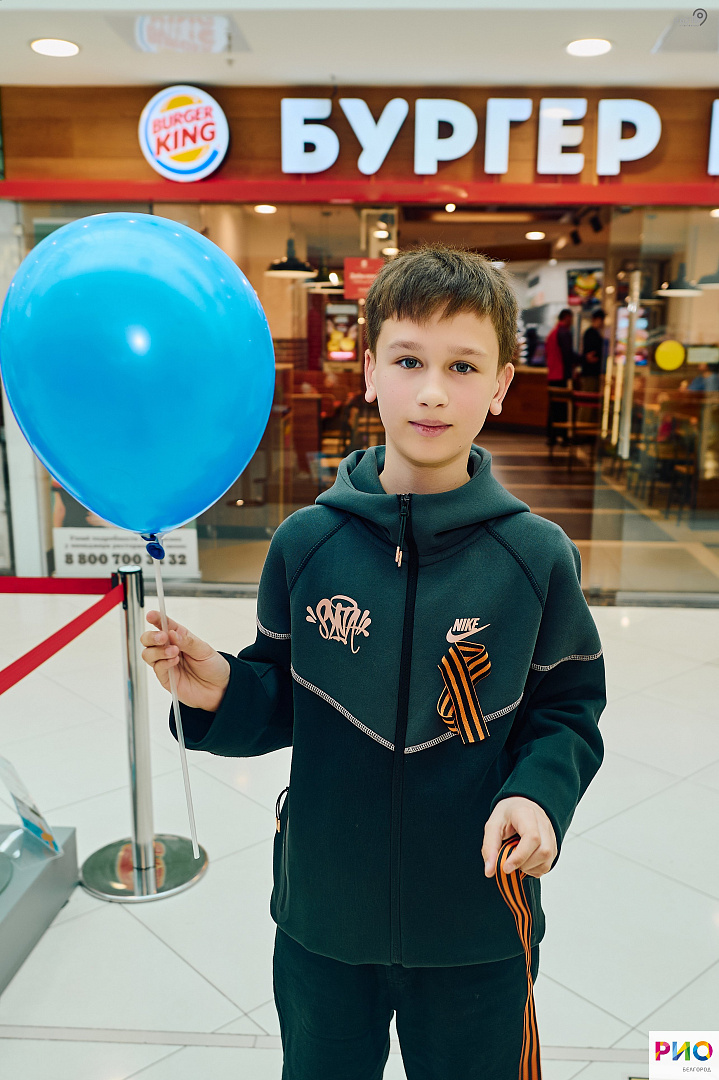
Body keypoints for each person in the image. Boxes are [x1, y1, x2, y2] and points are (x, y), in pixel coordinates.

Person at [140, 245, 606, 1080]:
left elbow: (566, 712)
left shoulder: (537, 558)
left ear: (501, 385)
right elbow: (285, 697)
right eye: (408, 360)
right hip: (325, 917)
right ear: (368, 372)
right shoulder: (305, 544)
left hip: (476, 922)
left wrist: (539, 795)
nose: (432, 391)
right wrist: (222, 692)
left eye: (462, 366)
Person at [544, 308, 580, 446]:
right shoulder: (564, 332)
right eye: (571, 318)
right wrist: (583, 359)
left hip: (552, 374)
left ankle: (552, 437)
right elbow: (568, 354)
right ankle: (564, 437)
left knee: (554, 408)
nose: (572, 322)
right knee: (563, 408)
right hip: (561, 374)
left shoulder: (552, 333)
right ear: (566, 317)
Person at [580, 309, 606, 392]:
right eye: (602, 320)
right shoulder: (591, 333)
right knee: (588, 394)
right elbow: (590, 354)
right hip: (590, 372)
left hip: (592, 372)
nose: (602, 323)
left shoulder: (594, 333)